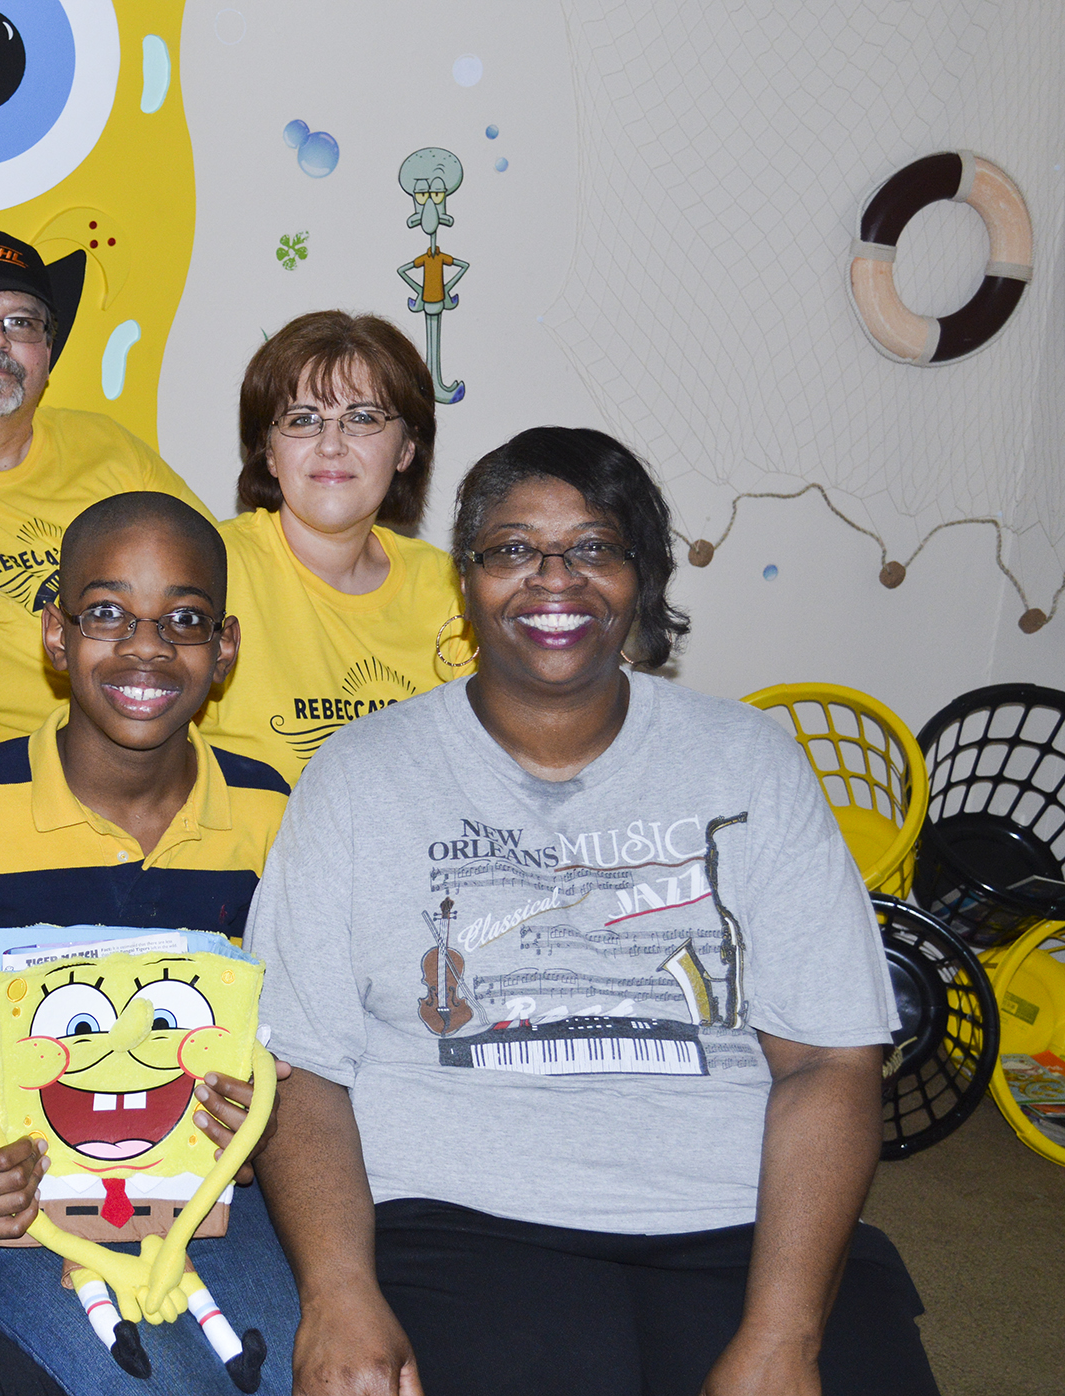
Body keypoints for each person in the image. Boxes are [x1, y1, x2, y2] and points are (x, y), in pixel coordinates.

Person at [246, 426, 938, 1396]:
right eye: (514, 548)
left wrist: (785, 1336)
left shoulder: (752, 764)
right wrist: (338, 1291)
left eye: (594, 546)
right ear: (468, 579)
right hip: (457, 1220)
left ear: (642, 576)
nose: (553, 578)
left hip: (742, 1217)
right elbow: (301, 1059)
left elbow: (829, 1059)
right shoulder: (361, 775)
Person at [0, 492, 300, 1395]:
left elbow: (297, 1051)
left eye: (183, 620)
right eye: (107, 613)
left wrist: (260, 1112)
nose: (146, 647)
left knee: (279, 1377)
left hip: (212, 1197)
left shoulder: (271, 815)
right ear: (55, 635)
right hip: (23, 1201)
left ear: (224, 648)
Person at [0, 230, 213, 751]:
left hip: (148, 758)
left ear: (48, 353)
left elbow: (211, 595)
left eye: (22, 323)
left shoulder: (109, 449)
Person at [198, 310, 465, 784]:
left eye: (362, 417)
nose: (331, 444)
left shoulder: (451, 588)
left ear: (406, 449)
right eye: (303, 420)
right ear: (269, 452)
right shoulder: (206, 567)